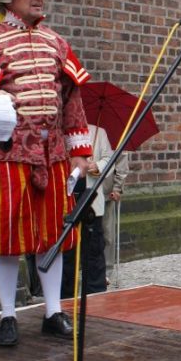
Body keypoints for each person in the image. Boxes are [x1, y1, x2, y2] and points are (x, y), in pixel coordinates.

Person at [0, 0, 92, 347]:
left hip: (53, 153)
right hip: (6, 157)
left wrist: (80, 152)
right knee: (7, 236)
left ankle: (53, 310)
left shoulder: (57, 42)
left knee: (52, 235)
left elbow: (72, 101)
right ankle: (7, 314)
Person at [61, 124, 111, 296]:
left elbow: (109, 160)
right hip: (66, 200)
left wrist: (96, 166)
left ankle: (95, 292)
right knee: (67, 252)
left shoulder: (99, 131)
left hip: (91, 202)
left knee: (93, 250)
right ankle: (65, 295)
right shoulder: (61, 131)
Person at [101, 142, 128, 286]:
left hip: (106, 192)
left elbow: (122, 161)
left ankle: (107, 271)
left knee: (108, 234)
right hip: (87, 190)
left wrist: (117, 187)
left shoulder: (115, 136)